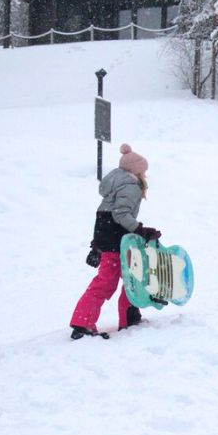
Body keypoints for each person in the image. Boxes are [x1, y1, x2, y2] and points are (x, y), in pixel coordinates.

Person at [70, 143, 160, 339]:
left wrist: (97, 246)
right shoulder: (131, 185)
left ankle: (88, 321)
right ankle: (115, 321)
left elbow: (104, 217)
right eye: (143, 171)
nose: (144, 175)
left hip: (109, 240)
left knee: (122, 280)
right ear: (136, 170)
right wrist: (140, 229)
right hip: (118, 242)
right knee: (130, 280)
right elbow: (120, 214)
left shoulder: (114, 186)